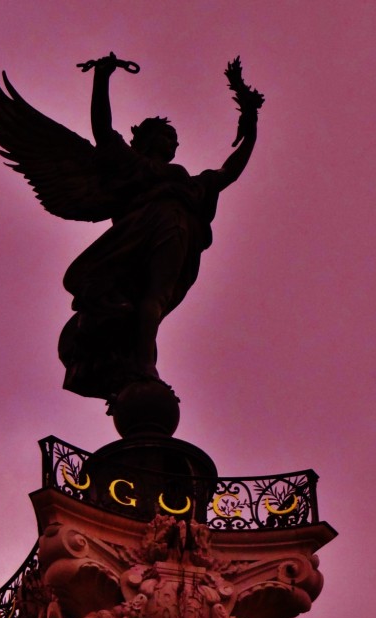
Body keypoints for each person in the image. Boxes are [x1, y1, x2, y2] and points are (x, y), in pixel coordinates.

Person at [57, 53, 261, 401]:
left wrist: (251, 125)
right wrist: (101, 78)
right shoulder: (134, 165)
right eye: (168, 136)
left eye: (175, 138)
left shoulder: (188, 182)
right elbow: (103, 131)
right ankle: (142, 364)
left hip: (176, 229)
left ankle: (142, 363)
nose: (175, 143)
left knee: (153, 300)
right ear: (148, 139)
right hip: (153, 226)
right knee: (144, 296)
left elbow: (229, 172)